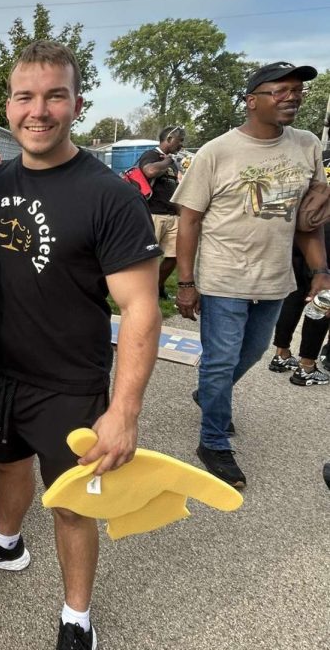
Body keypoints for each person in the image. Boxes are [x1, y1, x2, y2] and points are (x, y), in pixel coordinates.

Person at [0, 40, 162, 650]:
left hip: (68, 382)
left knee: (70, 505)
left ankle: (77, 624)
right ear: (8, 105)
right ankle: (7, 544)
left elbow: (141, 308)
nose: (38, 110)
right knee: (5, 461)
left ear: (77, 102)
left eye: (54, 95)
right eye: (25, 96)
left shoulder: (108, 197)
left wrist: (123, 410)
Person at [174, 62, 330, 488]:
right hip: (224, 276)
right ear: (251, 100)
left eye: (297, 90)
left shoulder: (307, 145)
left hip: (276, 277)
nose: (292, 97)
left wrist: (320, 270)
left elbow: (307, 220)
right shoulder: (216, 152)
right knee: (222, 359)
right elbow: (188, 221)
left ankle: (210, 392)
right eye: (280, 90)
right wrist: (186, 283)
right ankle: (214, 441)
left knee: (256, 350)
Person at [268, 222, 330, 386]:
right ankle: (306, 367)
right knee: (321, 301)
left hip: (303, 232)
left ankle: (281, 355)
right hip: (324, 241)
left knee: (294, 294)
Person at [137, 125, 186, 298]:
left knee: (175, 256)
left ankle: (157, 286)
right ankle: (141, 292)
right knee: (148, 257)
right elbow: (149, 171)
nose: (181, 145)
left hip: (172, 215)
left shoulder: (173, 163)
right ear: (170, 139)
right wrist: (168, 160)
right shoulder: (152, 155)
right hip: (153, 214)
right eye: (180, 141)